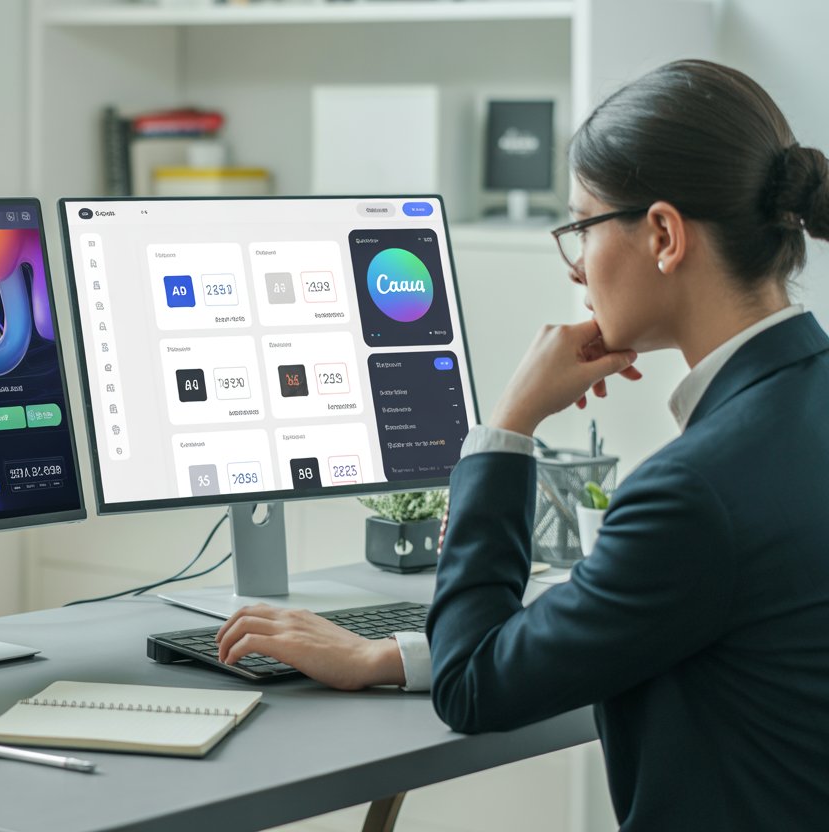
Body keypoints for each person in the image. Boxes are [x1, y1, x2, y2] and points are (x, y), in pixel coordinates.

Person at [215, 59, 829, 829]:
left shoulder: (694, 493)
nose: (576, 267)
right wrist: (395, 655)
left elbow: (474, 688)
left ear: (665, 235)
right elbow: (640, 617)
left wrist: (507, 425)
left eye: (582, 227)